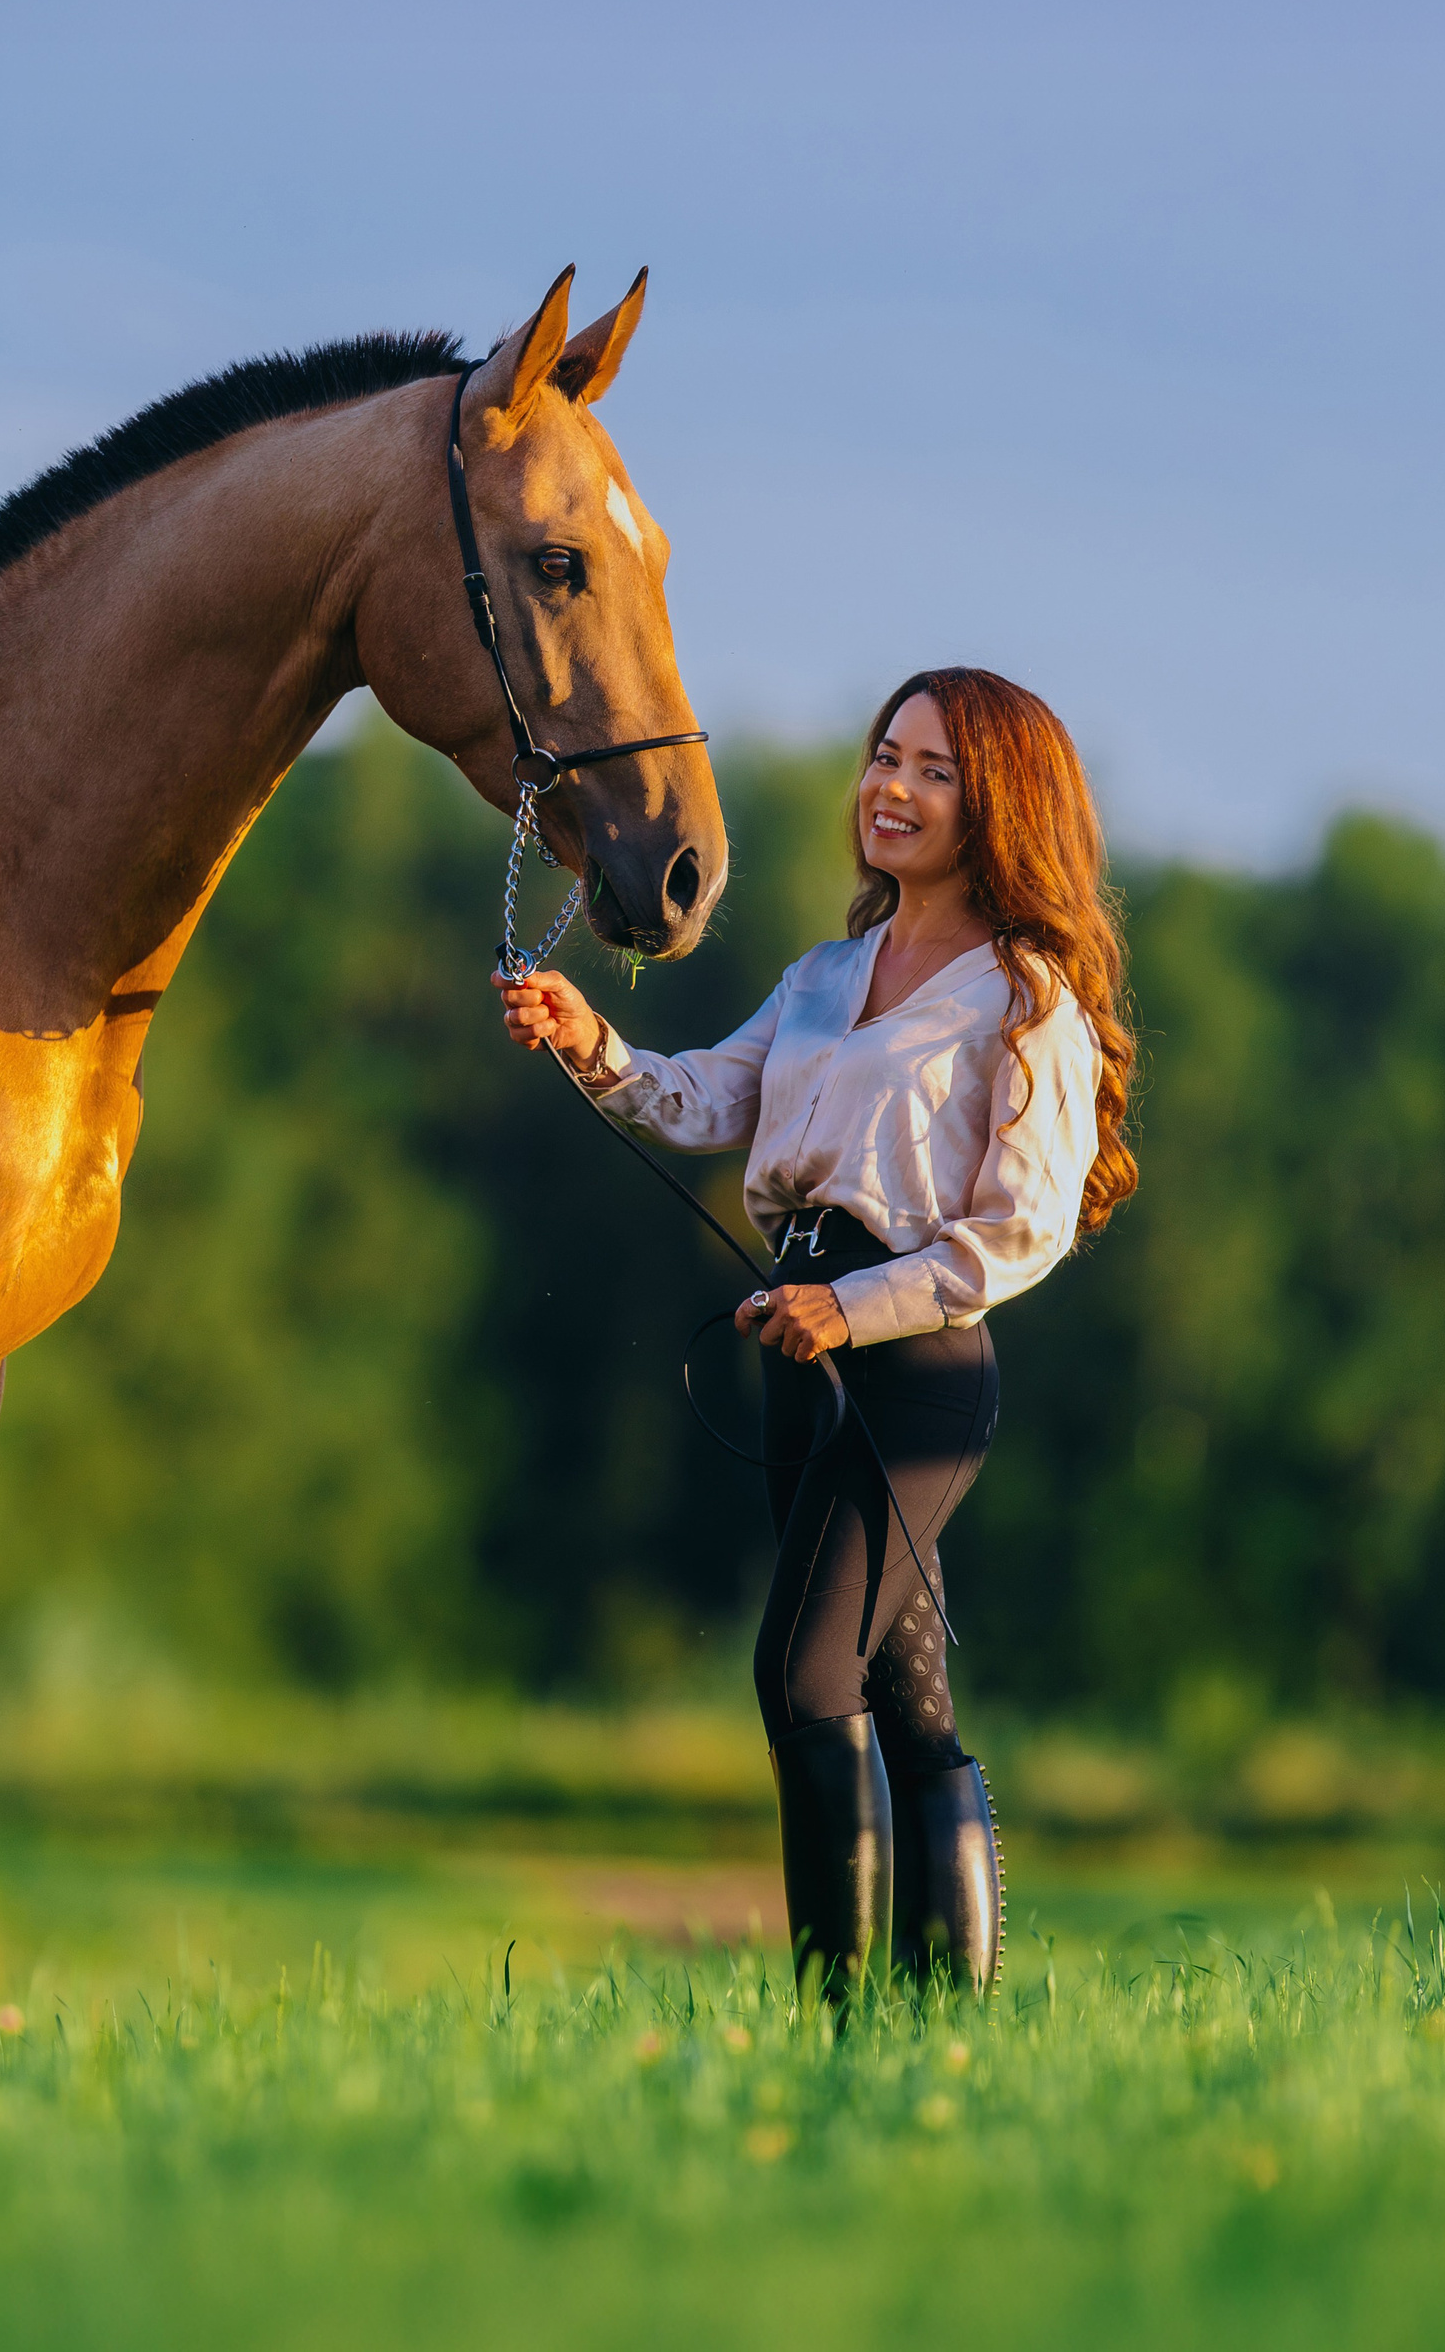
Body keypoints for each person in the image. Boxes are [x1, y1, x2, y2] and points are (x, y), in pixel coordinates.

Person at [496, 668, 1137, 1997]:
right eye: (882, 757)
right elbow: (703, 1099)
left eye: (932, 770)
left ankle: (837, 2020)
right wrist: (587, 1037)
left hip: (912, 1371)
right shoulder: (824, 976)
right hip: (800, 1349)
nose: (889, 787)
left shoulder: (1027, 999)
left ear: (1000, 803)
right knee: (905, 1702)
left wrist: (845, 1309)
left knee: (801, 1679)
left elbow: (1018, 1234)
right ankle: (930, 2025)